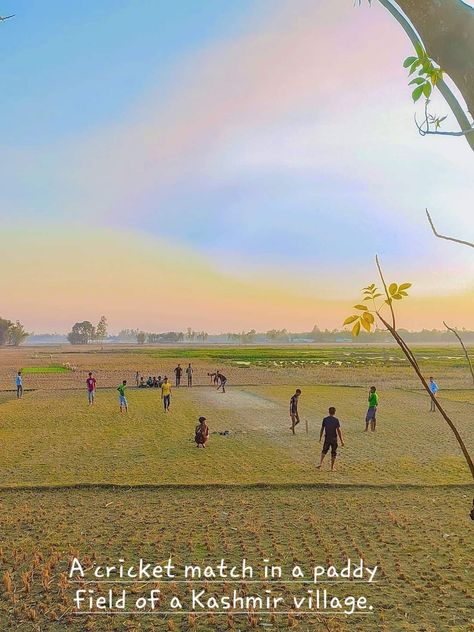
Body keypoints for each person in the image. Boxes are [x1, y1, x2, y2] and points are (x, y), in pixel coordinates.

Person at [316, 407, 344, 471]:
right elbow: (339, 431)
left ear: (329, 412)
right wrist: (342, 441)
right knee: (333, 452)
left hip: (327, 438)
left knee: (324, 450)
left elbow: (322, 429)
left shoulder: (325, 419)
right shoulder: (336, 420)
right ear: (335, 412)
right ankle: (332, 467)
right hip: (334, 438)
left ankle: (320, 463)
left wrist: (320, 437)